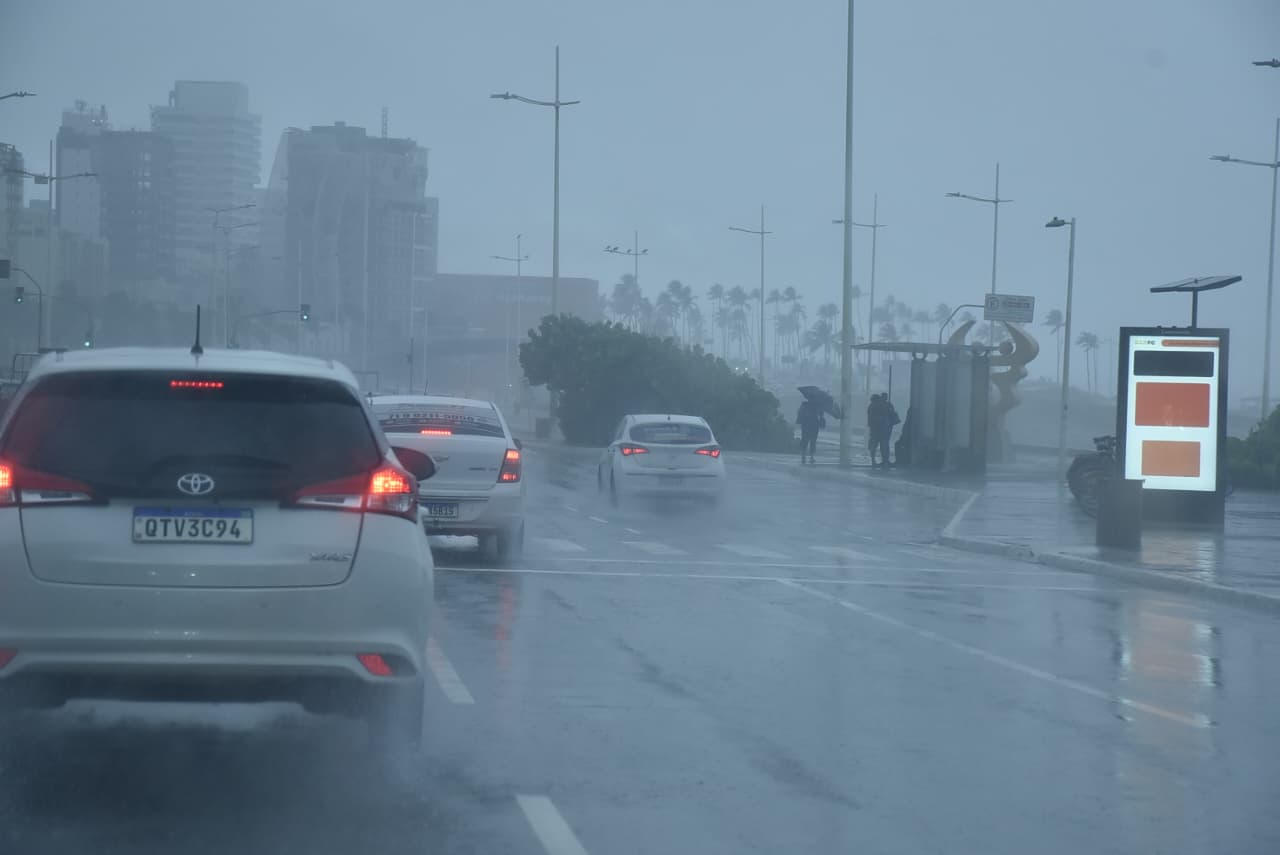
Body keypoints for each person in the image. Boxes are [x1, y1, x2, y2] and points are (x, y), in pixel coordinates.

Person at [796, 398, 825, 464]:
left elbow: (799, 412)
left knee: (805, 439)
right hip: (814, 425)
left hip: (805, 425)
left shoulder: (804, 405)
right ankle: (811, 457)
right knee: (813, 440)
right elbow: (821, 414)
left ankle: (803, 456)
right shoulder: (817, 405)